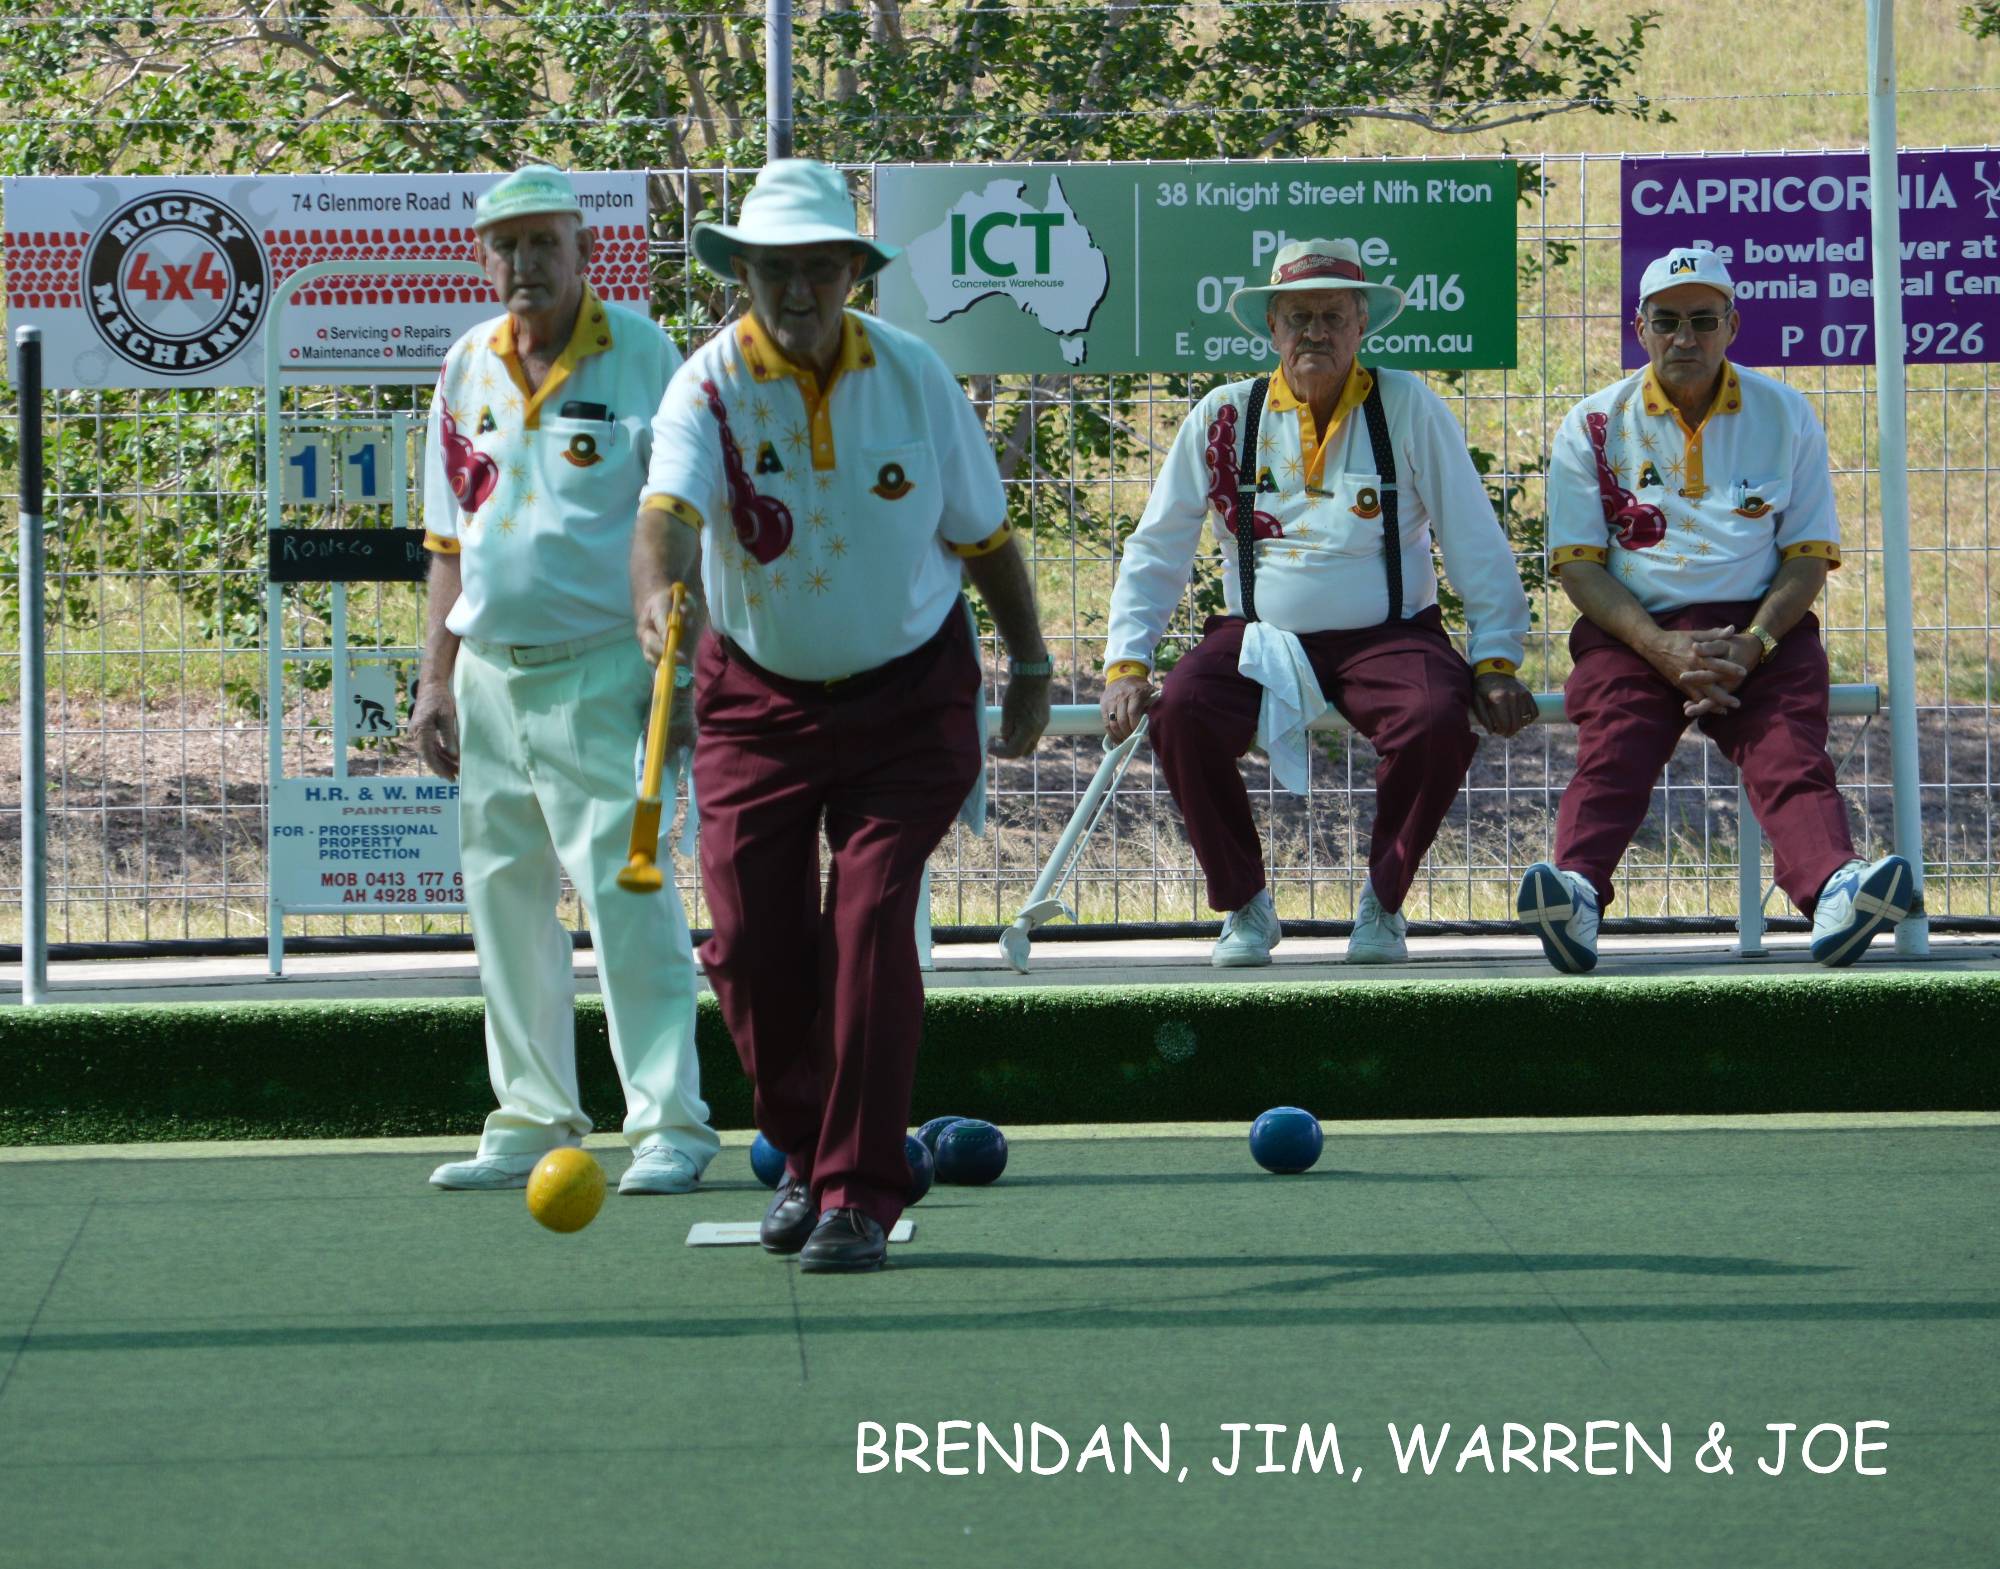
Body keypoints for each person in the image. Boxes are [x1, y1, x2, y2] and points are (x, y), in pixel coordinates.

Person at [633, 160, 1051, 1273]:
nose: (797, 290)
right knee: (750, 943)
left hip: (909, 698)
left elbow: (986, 537)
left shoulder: (914, 376)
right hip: (751, 699)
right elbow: (667, 515)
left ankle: (855, 1195)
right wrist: (652, 597)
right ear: (743, 276)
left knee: (868, 925)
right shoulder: (705, 388)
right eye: (774, 270)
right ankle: (813, 1149)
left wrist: (1030, 661)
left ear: (853, 274)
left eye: (819, 268)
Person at [1100, 238, 1536, 967]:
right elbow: (1157, 548)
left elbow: (1474, 539)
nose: (1315, 332)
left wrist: (1496, 658)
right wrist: (1126, 661)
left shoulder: (1407, 405)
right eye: (1298, 316)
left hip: (1390, 633)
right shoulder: (1224, 416)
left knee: (1437, 719)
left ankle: (1384, 901)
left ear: (1362, 325)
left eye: (1333, 315)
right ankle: (1244, 904)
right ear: (1271, 329)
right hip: (1261, 635)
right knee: (1180, 709)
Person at [411, 165, 719, 1193]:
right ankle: (532, 1114)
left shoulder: (643, 357)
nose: (523, 263)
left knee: (625, 898)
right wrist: (434, 682)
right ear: (481, 255)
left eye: (544, 242)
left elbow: (683, 525)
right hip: (492, 678)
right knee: (503, 900)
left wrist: (684, 673)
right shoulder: (463, 366)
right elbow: (447, 543)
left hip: (605, 673)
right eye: (505, 244)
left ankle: (667, 1122)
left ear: (585, 250)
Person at [1520, 245, 1914, 973]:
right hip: (1632, 626)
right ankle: (1573, 896)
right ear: (1639, 327)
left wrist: (1756, 641)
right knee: (1616, 739)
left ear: (1733, 324)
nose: (1685, 338)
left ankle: (1836, 889)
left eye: (1704, 320)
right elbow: (1579, 568)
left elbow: (1805, 557)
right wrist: (1658, 647)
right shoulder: (1593, 424)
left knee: (1787, 745)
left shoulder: (1784, 413)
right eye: (1667, 321)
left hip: (1758, 624)